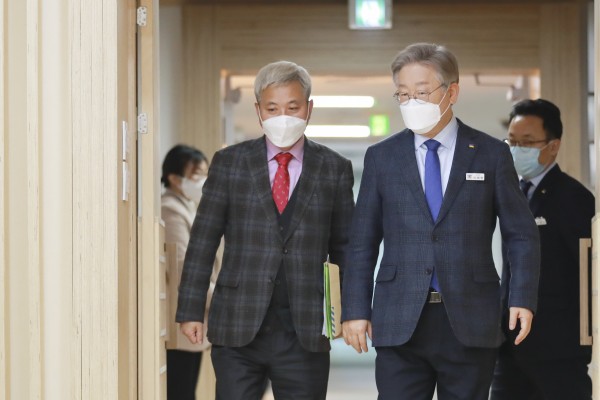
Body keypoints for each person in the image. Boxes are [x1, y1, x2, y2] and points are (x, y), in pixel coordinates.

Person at [341, 42, 541, 400]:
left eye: (421, 92)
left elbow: (521, 235)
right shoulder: (382, 158)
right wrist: (355, 309)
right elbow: (362, 242)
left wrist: (522, 297)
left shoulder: (491, 154)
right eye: (403, 94)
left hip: (470, 316)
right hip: (399, 317)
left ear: (452, 92)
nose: (411, 103)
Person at [176, 60, 355, 400]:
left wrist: (351, 312)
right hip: (237, 323)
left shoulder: (334, 168)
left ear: (309, 109)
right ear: (258, 111)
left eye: (293, 107)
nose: (282, 116)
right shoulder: (230, 163)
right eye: (272, 108)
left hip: (305, 327)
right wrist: (190, 310)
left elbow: (345, 248)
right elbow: (203, 240)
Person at [490, 99, 594, 400]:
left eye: (527, 142)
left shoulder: (574, 198)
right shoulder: (512, 192)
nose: (516, 149)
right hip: (510, 345)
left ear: (553, 146)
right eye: (512, 142)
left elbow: (586, 273)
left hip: (558, 350)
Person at [161, 144, 220, 400]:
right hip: (182, 317)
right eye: (196, 174)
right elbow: (184, 267)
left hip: (194, 315)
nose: (202, 180)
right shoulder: (170, 209)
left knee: (186, 389)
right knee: (181, 391)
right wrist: (220, 298)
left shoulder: (188, 205)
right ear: (174, 178)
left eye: (205, 173)